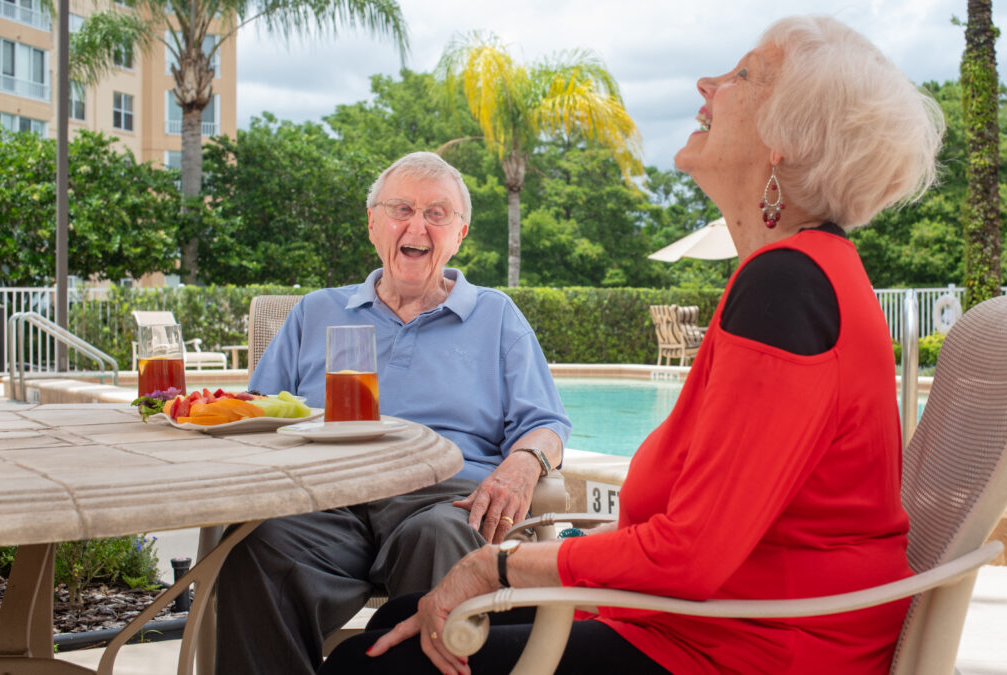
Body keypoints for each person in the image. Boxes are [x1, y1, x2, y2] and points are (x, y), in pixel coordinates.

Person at [319, 15, 945, 675]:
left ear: (785, 138)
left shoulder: (787, 286)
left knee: (371, 662)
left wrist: (498, 563)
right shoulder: (804, 272)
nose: (708, 83)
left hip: (743, 648)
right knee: (403, 616)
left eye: (742, 76)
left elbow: (692, 554)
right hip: (715, 620)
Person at [215, 151, 571, 675]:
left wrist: (522, 465)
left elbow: (547, 423)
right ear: (373, 224)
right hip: (327, 499)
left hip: (441, 499)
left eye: (437, 213)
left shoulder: (495, 315)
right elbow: (258, 414)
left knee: (443, 536)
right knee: (255, 544)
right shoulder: (316, 311)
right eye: (401, 208)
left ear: (461, 234)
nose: (417, 225)